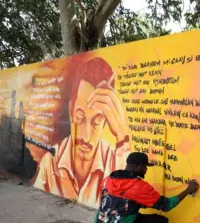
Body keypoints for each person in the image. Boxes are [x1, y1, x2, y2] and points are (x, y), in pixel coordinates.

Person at [33, 57, 129, 207]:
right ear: (71, 111)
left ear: (105, 122)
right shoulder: (50, 163)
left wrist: (123, 137)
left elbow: (124, 204)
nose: (86, 136)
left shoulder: (115, 162)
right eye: (80, 118)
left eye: (96, 122)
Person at [93, 152, 199, 223]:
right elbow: (166, 205)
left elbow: (113, 202)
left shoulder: (108, 179)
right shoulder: (138, 186)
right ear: (136, 166)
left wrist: (140, 203)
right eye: (144, 166)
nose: (146, 170)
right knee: (160, 221)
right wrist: (188, 190)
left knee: (124, 215)